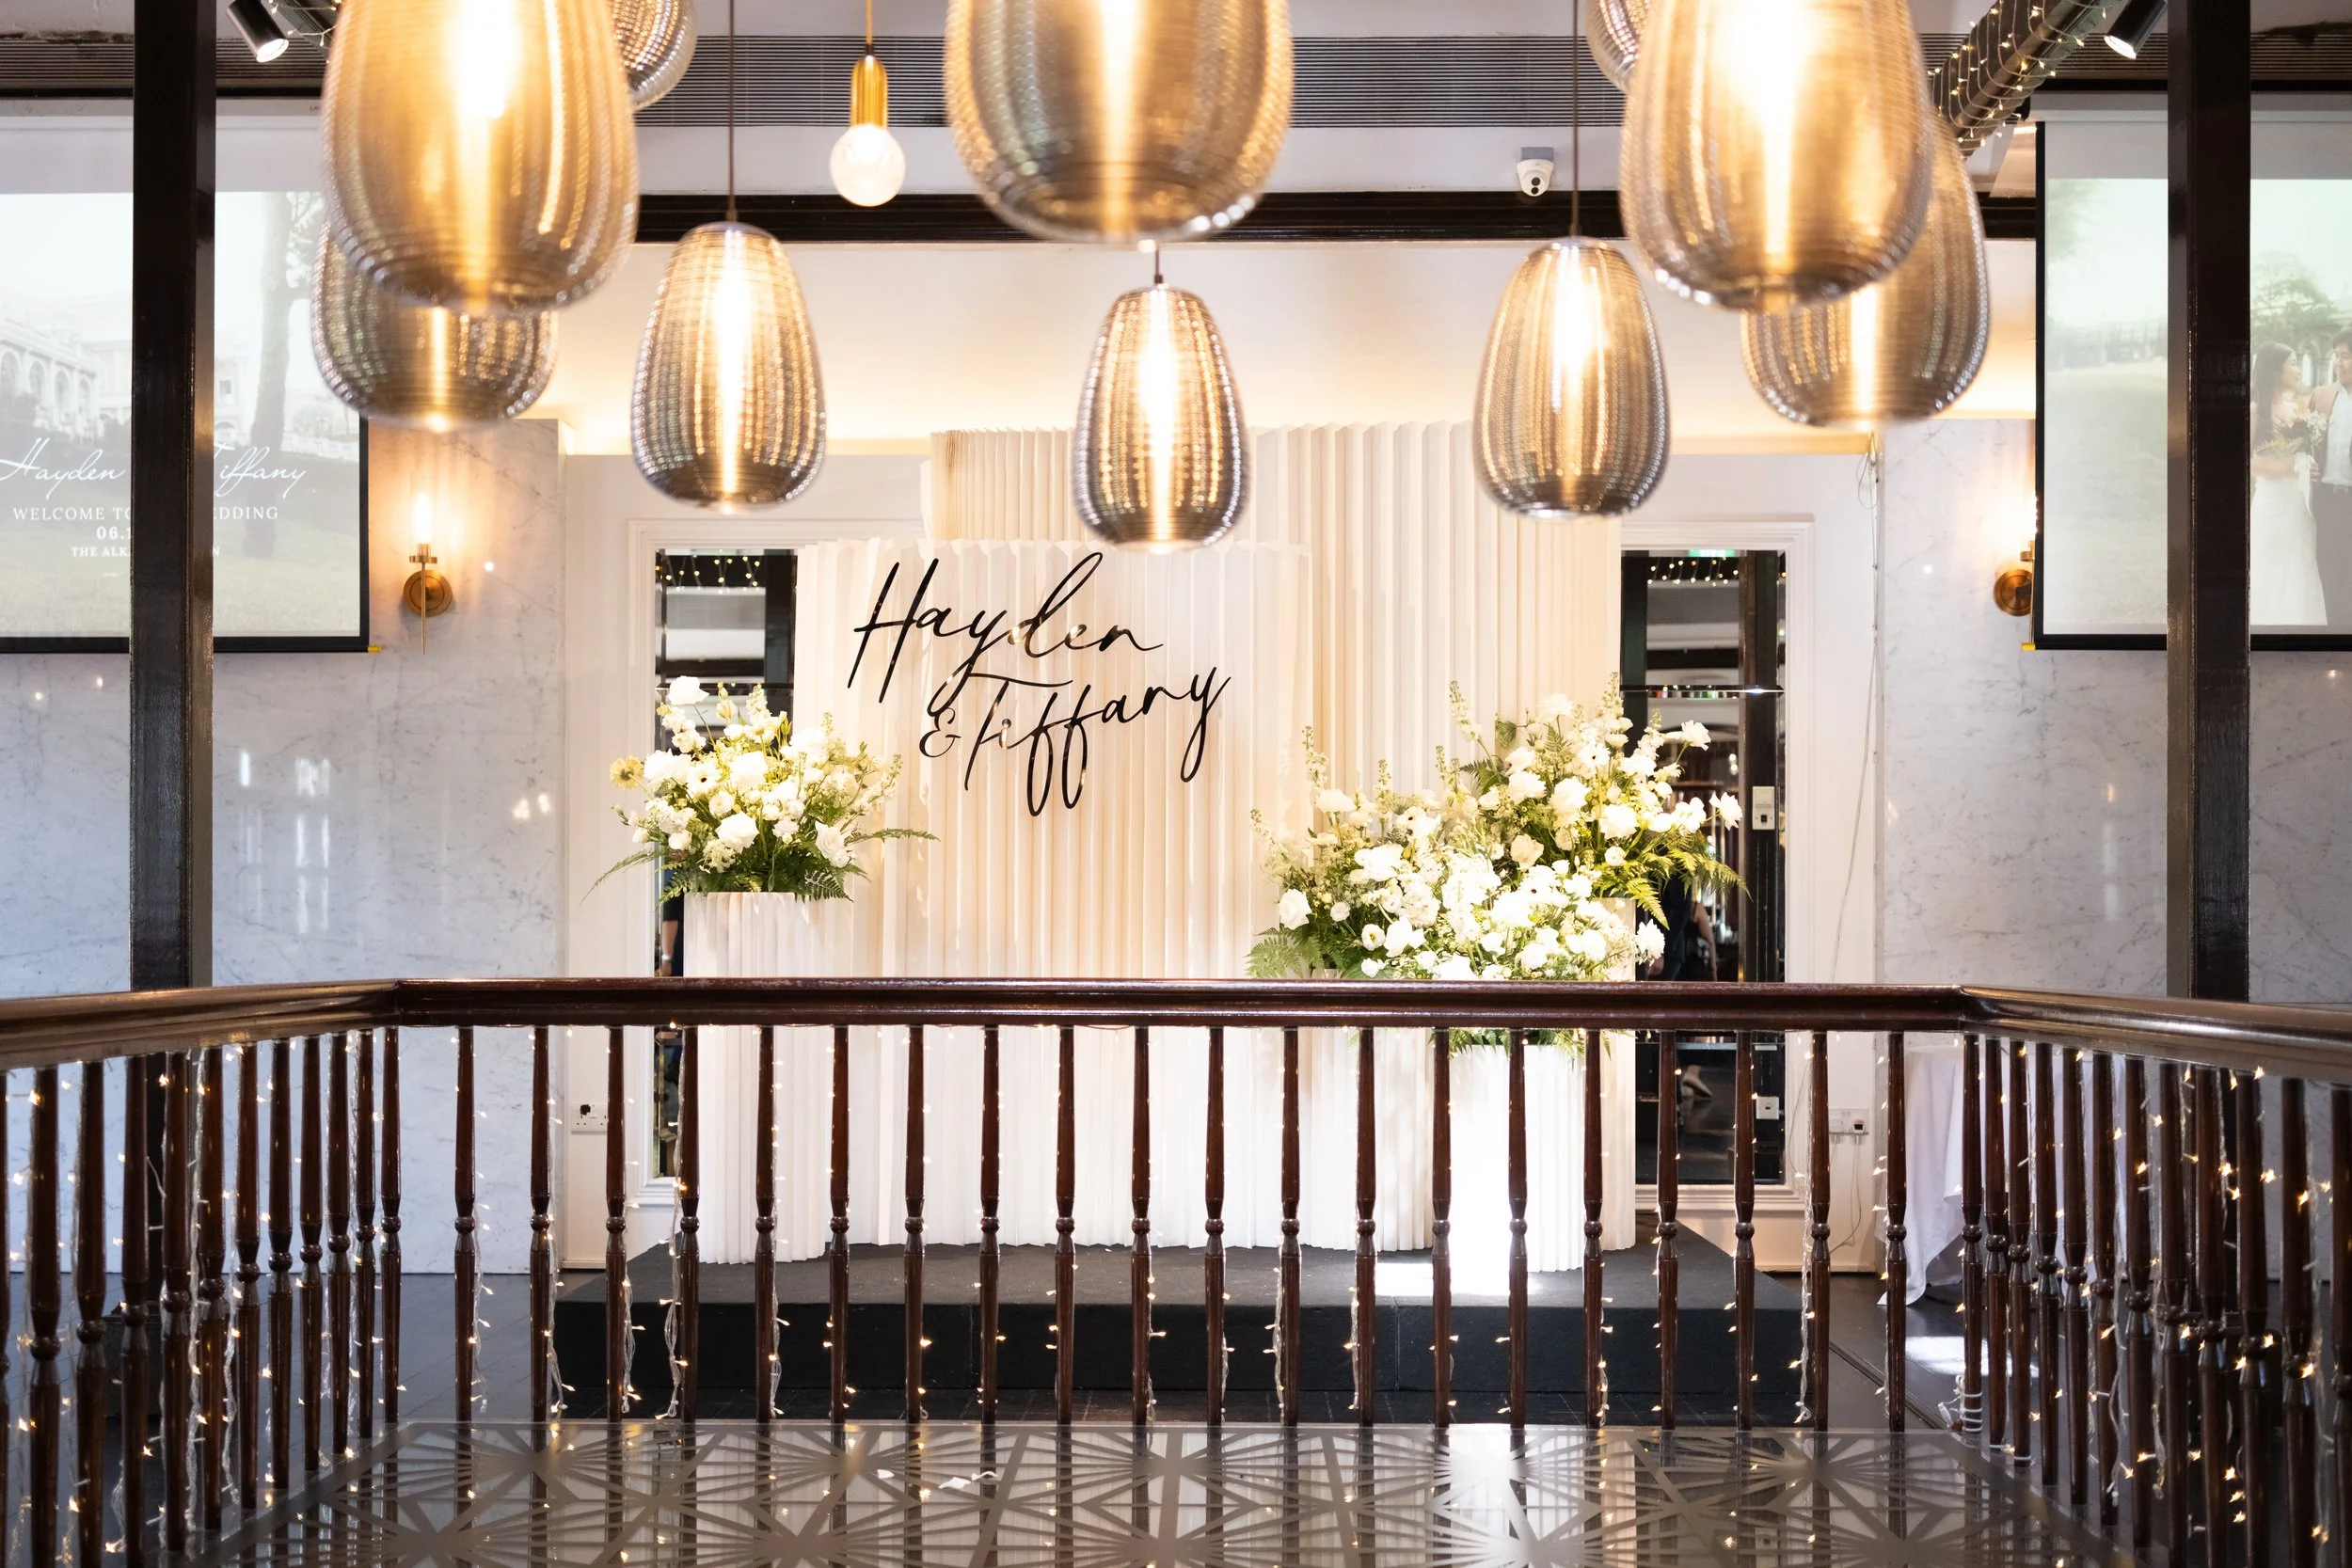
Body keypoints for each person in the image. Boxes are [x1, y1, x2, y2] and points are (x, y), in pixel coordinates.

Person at [2250, 341, 2328, 626]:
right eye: (2293, 363)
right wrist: (2289, 469)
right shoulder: (2256, 410)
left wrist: (2308, 465)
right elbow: (2246, 463)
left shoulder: (2296, 408)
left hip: (2298, 504)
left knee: (2301, 564)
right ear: (2274, 371)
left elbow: (2298, 453)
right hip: (2272, 505)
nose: (2297, 369)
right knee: (2272, 568)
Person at [2312, 329, 2352, 622]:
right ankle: (2334, 634)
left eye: (2346, 356)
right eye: (2336, 356)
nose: (2339, 362)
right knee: (2328, 569)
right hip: (2326, 500)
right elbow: (2304, 445)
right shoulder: (2322, 396)